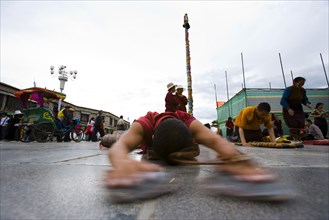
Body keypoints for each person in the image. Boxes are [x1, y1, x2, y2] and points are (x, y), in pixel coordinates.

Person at [104, 110, 290, 202]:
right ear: (150, 140)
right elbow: (119, 148)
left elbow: (218, 142)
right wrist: (121, 163)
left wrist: (237, 159)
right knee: (110, 139)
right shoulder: (144, 123)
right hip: (129, 135)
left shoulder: (188, 121)